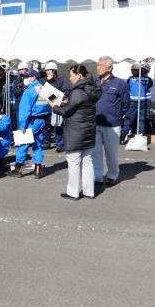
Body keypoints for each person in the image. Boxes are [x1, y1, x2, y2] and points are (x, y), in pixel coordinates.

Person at [51, 65, 102, 200]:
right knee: (87, 161)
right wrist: (67, 101)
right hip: (89, 130)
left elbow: (67, 111)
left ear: (79, 75)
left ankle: (73, 192)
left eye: (72, 75)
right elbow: (79, 104)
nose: (70, 77)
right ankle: (89, 191)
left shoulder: (78, 91)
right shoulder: (92, 88)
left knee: (73, 162)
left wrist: (54, 106)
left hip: (76, 131)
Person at [93, 56, 130, 186]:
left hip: (112, 124)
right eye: (97, 65)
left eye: (101, 65)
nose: (98, 67)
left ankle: (112, 175)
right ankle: (97, 175)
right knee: (95, 152)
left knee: (111, 152)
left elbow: (126, 104)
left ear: (109, 67)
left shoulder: (120, 83)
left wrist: (122, 121)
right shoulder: (95, 82)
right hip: (95, 122)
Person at [8, 70, 51, 179]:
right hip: (42, 120)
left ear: (33, 77)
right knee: (38, 144)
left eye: (27, 77)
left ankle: (18, 169)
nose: (24, 79)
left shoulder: (29, 91)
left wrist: (22, 126)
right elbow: (54, 101)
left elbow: (24, 110)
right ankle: (38, 169)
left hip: (32, 121)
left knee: (23, 144)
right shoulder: (44, 88)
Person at [43, 62, 71, 152]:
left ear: (54, 71)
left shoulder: (62, 80)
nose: (47, 72)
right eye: (46, 70)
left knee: (58, 126)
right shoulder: (46, 81)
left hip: (58, 106)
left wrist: (54, 96)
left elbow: (67, 91)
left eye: (49, 70)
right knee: (46, 126)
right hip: (47, 107)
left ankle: (60, 145)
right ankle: (46, 143)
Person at [122, 63, 153, 142]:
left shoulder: (130, 79)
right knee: (141, 120)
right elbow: (149, 85)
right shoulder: (147, 79)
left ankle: (123, 137)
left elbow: (127, 88)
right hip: (143, 101)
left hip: (132, 101)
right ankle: (141, 137)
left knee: (128, 119)